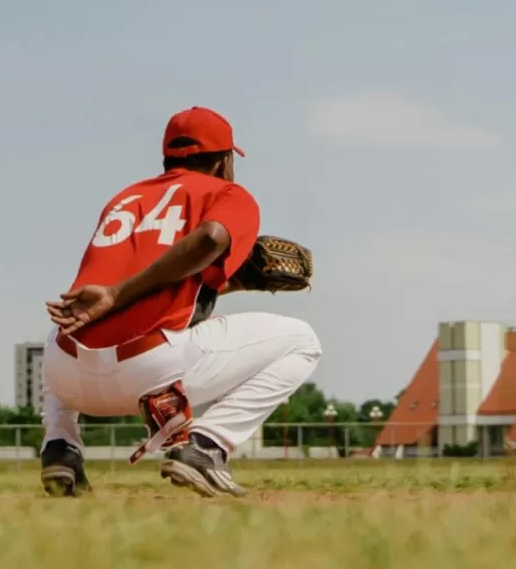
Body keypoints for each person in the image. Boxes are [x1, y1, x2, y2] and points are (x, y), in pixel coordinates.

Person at [39, 106, 322, 498]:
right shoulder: (229, 194)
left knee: (66, 327)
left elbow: (150, 286)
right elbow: (210, 239)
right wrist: (119, 294)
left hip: (66, 377)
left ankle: (60, 447)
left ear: (167, 157)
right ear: (225, 161)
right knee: (303, 341)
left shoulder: (124, 198)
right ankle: (206, 446)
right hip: (147, 370)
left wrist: (230, 283)